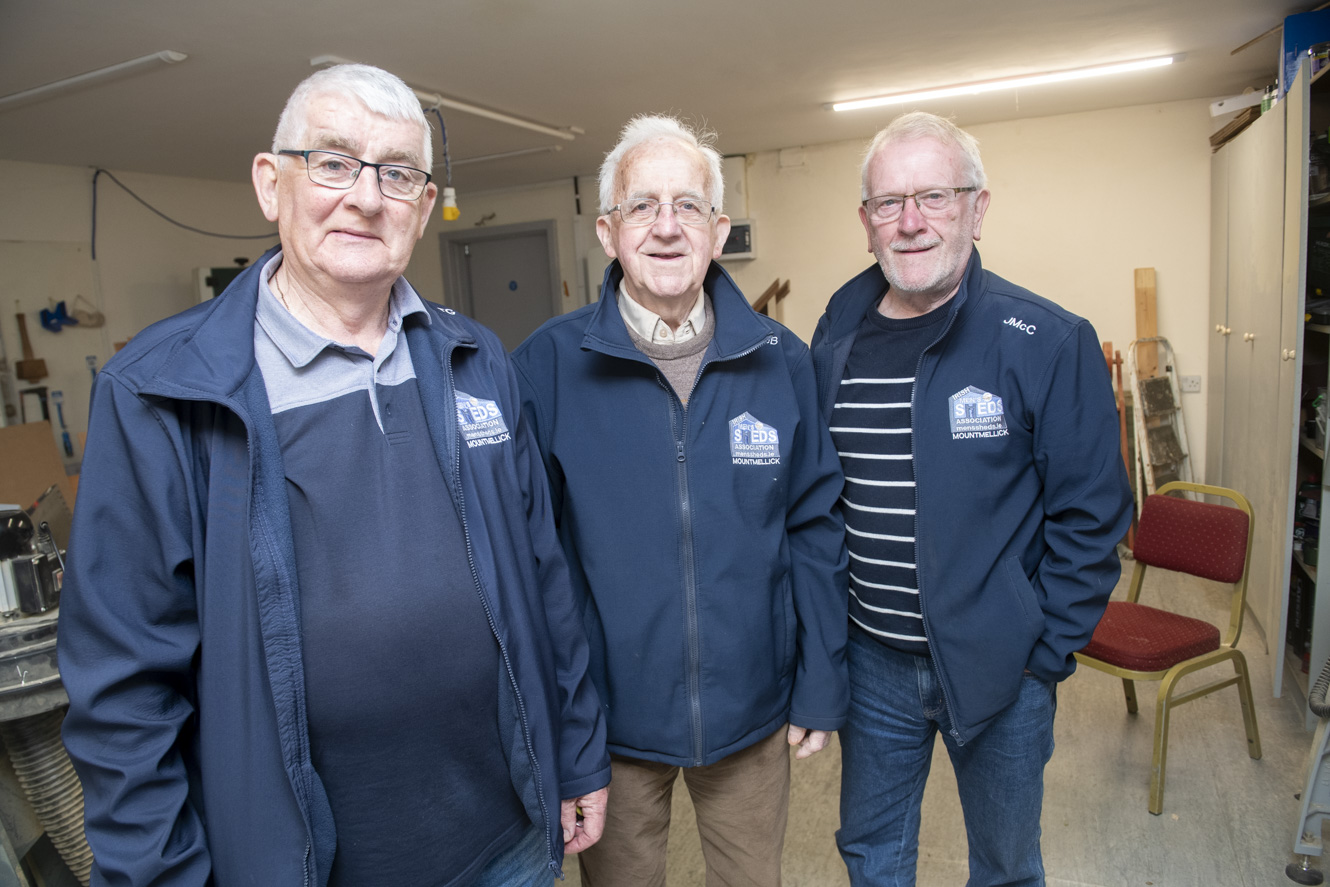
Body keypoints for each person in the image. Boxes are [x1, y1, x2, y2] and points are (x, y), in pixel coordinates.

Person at [57, 63, 610, 887]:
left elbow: (544, 576)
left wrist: (577, 749)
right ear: (269, 182)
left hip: (509, 841)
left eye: (397, 173)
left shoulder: (475, 359)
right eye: (333, 162)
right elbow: (122, 690)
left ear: (424, 205)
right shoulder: (163, 392)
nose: (365, 197)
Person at [511, 115, 848, 887]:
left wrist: (821, 681)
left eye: (688, 205)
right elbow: (532, 559)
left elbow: (815, 530)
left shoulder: (781, 361)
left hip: (752, 712)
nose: (666, 227)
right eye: (643, 206)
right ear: (608, 231)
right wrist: (560, 719)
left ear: (718, 231)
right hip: (609, 724)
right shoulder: (545, 367)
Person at [811, 111, 1133, 887]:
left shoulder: (1047, 340)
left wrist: (1039, 654)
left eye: (935, 196)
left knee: (1005, 866)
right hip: (871, 662)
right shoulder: (837, 329)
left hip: (1002, 669)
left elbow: (1093, 517)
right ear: (866, 222)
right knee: (873, 855)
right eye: (889, 202)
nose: (911, 221)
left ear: (978, 208)